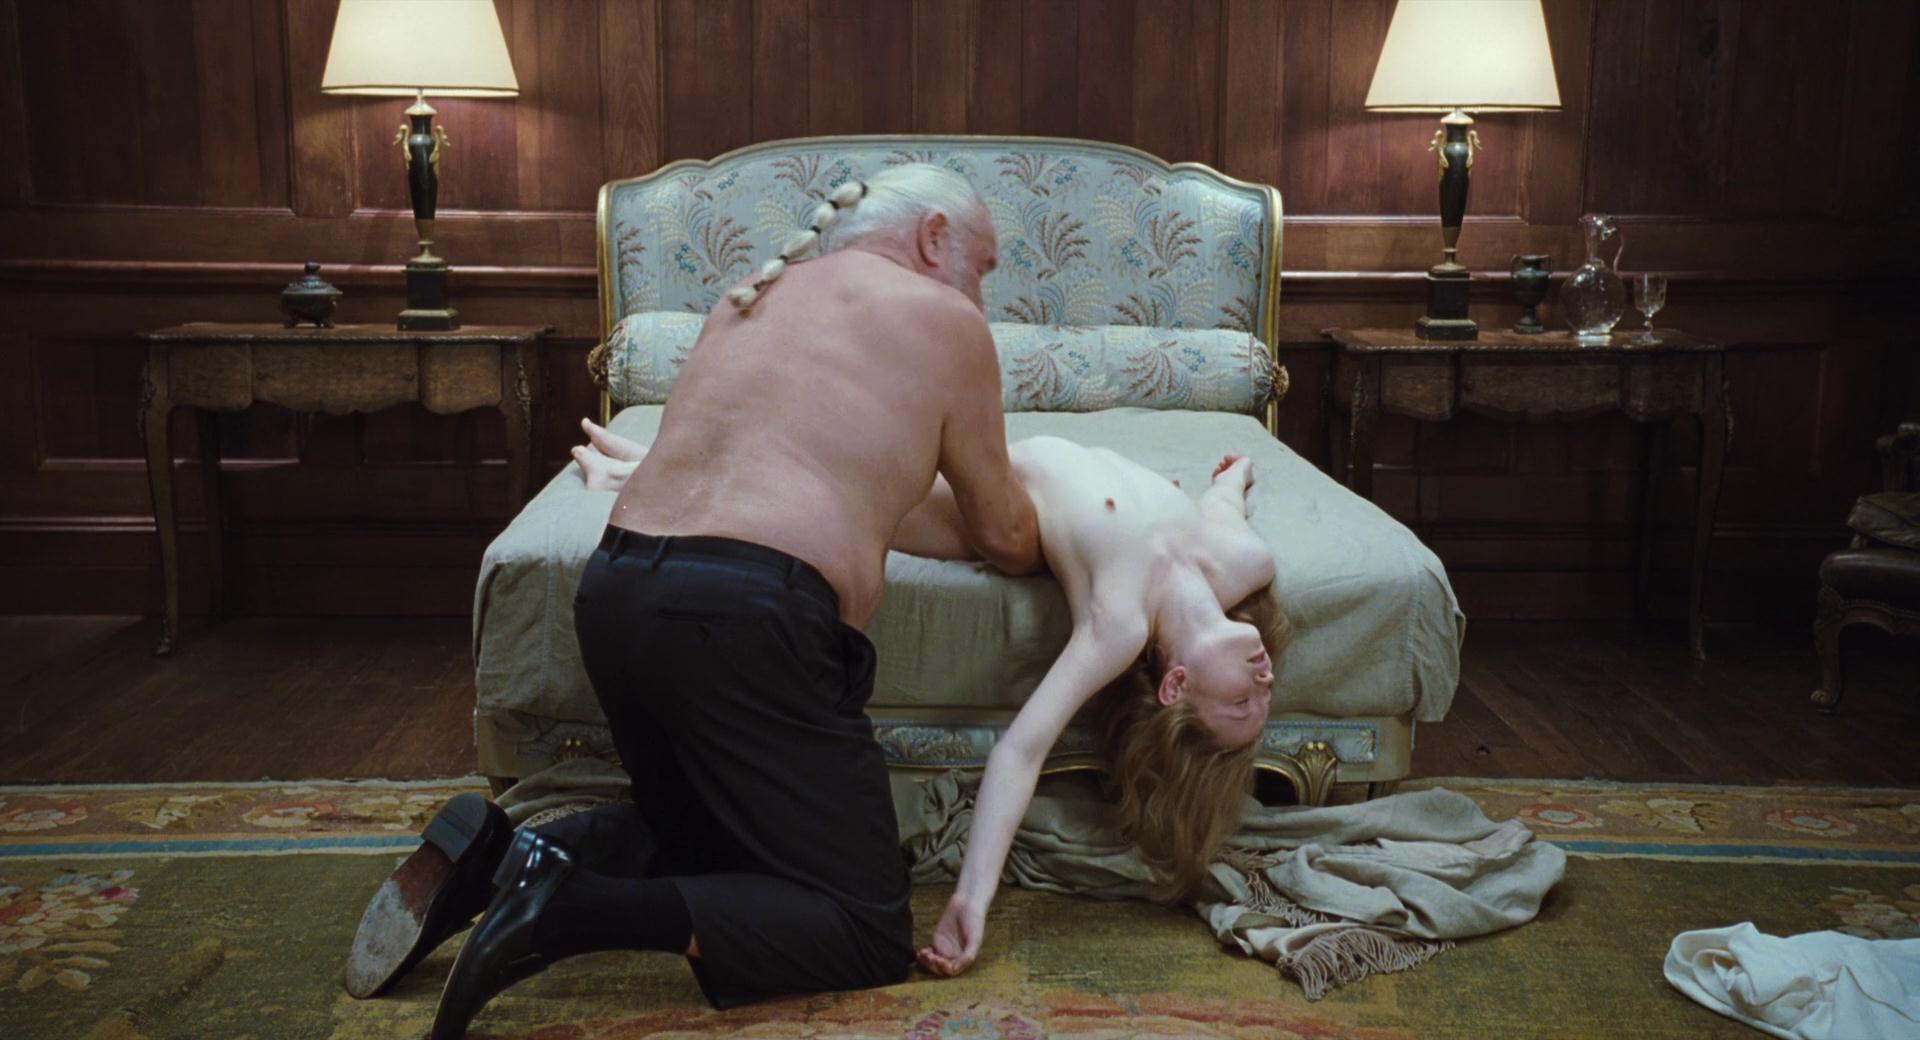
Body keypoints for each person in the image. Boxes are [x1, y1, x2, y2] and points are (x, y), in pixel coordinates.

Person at [341, 163, 1041, 1035]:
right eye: (984, 265)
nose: (984, 294)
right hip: (749, 618)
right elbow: (1007, 533)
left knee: (709, 848)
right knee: (862, 930)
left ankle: (494, 854)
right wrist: (1072, 518)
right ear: (934, 236)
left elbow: (795, 471)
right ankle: (564, 910)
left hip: (617, 589)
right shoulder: (946, 320)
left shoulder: (748, 296)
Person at [571, 419, 1292, 980]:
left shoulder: (1119, 623)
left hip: (1000, 512)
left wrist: (971, 900)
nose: (1263, 684)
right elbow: (1222, 505)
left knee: (828, 491)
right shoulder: (1245, 561)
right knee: (826, 473)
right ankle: (641, 464)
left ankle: (637, 470)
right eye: (1264, 696)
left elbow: (1021, 752)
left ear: (1174, 686)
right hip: (1018, 482)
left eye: (1240, 707)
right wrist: (1237, 475)